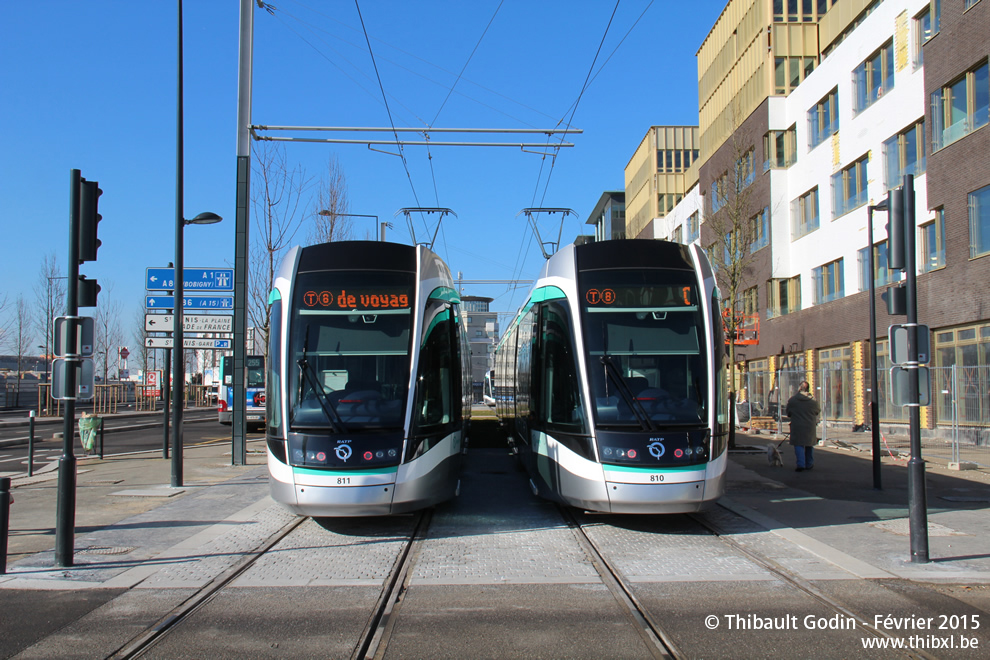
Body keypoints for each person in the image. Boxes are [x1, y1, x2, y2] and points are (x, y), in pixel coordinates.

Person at [785, 380, 820, 472]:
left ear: (799, 388)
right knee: (809, 444)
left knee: (798, 444)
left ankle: (801, 464)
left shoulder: (793, 400)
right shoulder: (813, 401)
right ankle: (809, 463)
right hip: (810, 426)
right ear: (808, 389)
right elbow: (817, 411)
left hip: (797, 426)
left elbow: (788, 413)